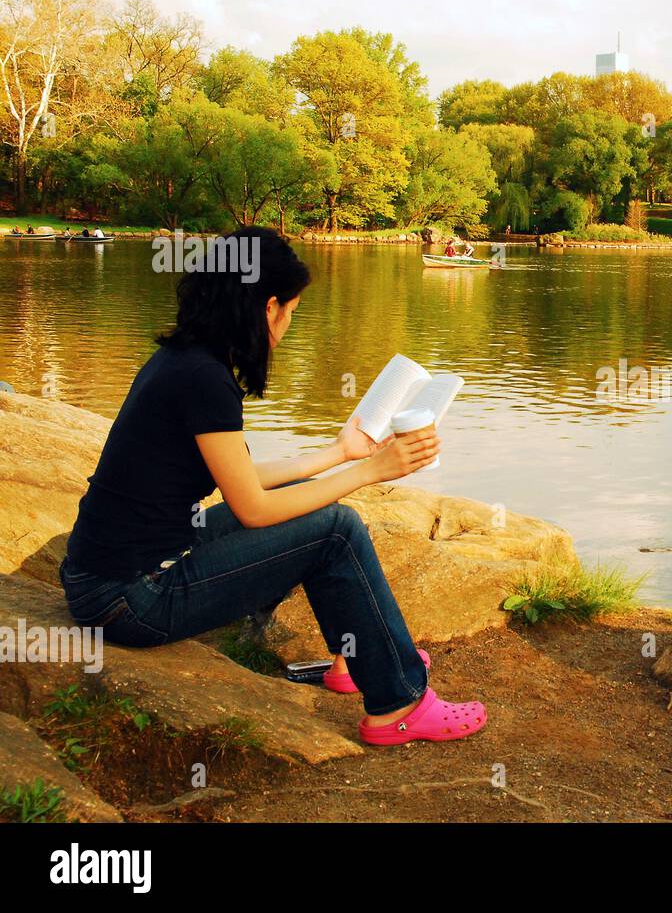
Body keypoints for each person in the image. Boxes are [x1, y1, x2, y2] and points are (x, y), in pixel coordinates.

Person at [59, 227, 485, 746]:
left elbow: (239, 480)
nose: (288, 326)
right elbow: (256, 509)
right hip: (129, 601)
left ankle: (362, 656)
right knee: (335, 530)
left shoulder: (183, 361)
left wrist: (339, 454)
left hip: (107, 578)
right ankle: (398, 704)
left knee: (316, 523)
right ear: (268, 307)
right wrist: (371, 472)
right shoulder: (205, 380)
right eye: (292, 311)